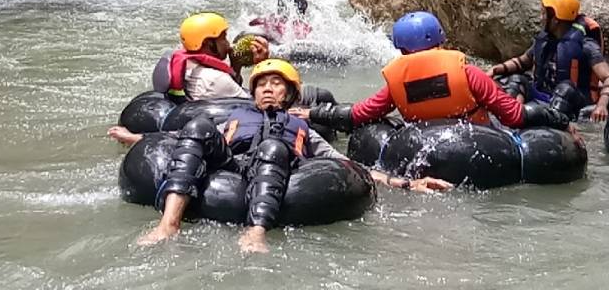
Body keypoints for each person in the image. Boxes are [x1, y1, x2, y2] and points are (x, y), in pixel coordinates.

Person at [114, 59, 451, 253]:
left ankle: (257, 231)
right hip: (231, 164)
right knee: (199, 125)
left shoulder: (302, 127)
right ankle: (168, 224)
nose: (268, 88)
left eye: (276, 84)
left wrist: (406, 184)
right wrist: (137, 137)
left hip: (278, 169)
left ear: (289, 93)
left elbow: (345, 164)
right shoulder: (232, 115)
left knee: (273, 146)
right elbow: (181, 137)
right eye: (262, 84)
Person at [298, 11, 573, 133]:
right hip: (477, 139)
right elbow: (514, 115)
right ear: (440, 40)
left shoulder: (397, 83)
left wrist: (313, 113)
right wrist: (562, 122)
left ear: (403, 51)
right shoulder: (468, 73)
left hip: (424, 145)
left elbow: (360, 114)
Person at [489, 0, 609, 121]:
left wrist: (602, 105)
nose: (541, 18)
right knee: (517, 80)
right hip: (544, 95)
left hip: (573, 100)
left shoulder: (585, 44)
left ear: (555, 20)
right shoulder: (545, 39)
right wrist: (495, 70)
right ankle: (512, 118)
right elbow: (523, 62)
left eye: (544, 14)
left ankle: (554, 124)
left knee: (565, 89)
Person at [152, 13, 269, 102]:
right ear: (209, 44)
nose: (228, 44)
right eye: (223, 38)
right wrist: (262, 66)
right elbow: (258, 104)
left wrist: (236, 66)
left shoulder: (185, 65)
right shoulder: (216, 79)